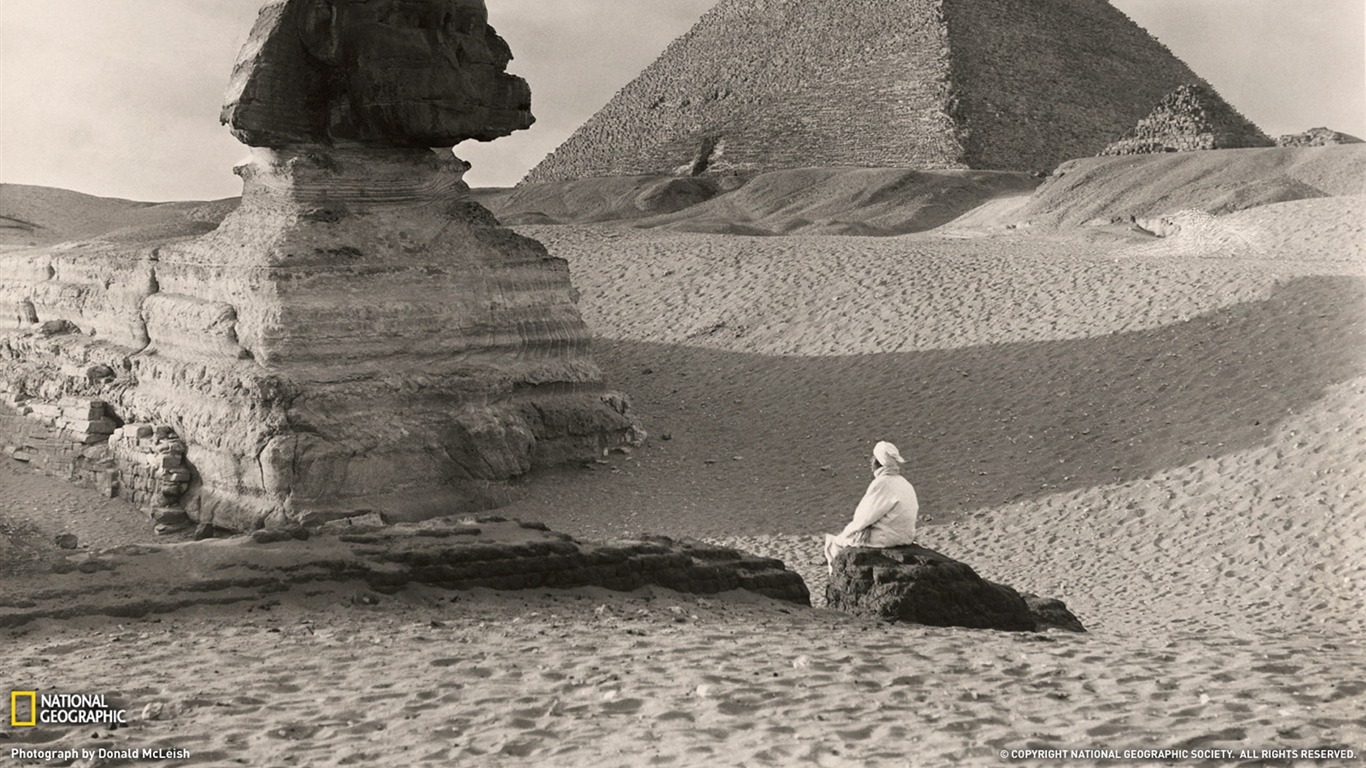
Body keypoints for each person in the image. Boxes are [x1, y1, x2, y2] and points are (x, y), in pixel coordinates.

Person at [824, 441, 920, 573]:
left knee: (833, 544)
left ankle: (834, 576)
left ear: (877, 461)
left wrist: (845, 534)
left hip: (887, 538)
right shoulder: (905, 483)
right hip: (906, 537)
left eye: (873, 458)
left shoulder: (883, 483)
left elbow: (865, 518)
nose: (871, 461)